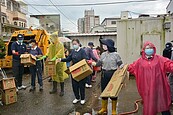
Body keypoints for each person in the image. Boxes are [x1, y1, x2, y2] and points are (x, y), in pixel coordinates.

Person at [128, 41, 173, 115]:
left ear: (154, 49)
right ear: (144, 50)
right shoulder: (139, 62)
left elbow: (168, 64)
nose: (149, 49)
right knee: (150, 106)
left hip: (159, 88)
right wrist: (124, 67)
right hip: (147, 89)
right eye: (147, 48)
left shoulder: (159, 59)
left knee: (163, 104)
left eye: (151, 48)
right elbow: (132, 67)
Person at [92, 39, 123, 115]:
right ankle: (104, 108)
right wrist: (94, 64)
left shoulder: (116, 55)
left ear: (109, 46)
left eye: (105, 45)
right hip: (104, 75)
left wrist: (122, 68)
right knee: (104, 91)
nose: (103, 46)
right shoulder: (103, 54)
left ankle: (113, 110)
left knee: (113, 92)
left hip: (113, 75)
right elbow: (99, 63)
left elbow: (120, 64)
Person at [57, 39, 89, 105]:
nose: (74, 45)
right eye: (73, 44)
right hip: (74, 70)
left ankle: (82, 98)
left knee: (81, 85)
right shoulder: (73, 51)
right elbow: (68, 59)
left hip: (81, 70)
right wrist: (61, 59)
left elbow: (86, 59)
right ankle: (77, 97)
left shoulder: (82, 51)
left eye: (75, 44)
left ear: (78, 44)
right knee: (74, 85)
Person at [39, 32, 68, 96]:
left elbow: (60, 53)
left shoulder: (60, 44)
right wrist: (44, 56)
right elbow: (48, 52)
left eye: (52, 39)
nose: (51, 40)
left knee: (60, 75)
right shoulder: (51, 45)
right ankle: (54, 88)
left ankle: (62, 90)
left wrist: (55, 57)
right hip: (53, 63)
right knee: (53, 75)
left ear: (55, 38)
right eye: (50, 39)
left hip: (60, 62)